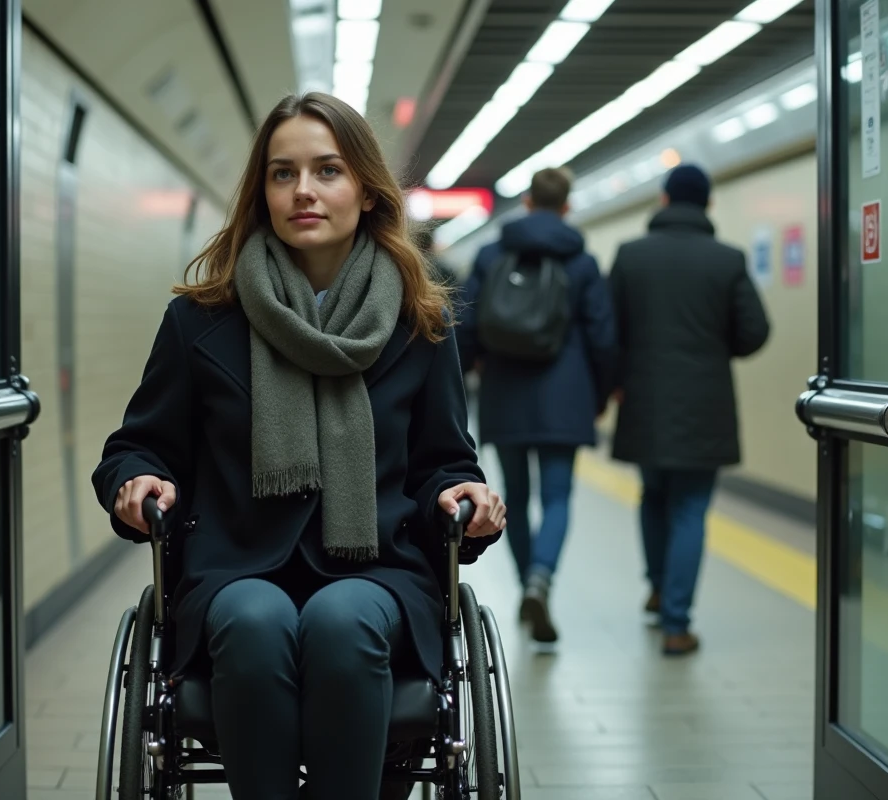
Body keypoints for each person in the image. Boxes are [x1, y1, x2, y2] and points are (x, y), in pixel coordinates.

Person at [91, 92, 507, 800]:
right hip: (234, 570)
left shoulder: (419, 325)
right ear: (263, 192)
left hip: (380, 571)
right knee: (256, 620)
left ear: (367, 192)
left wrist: (460, 495)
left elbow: (443, 460)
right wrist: (138, 481)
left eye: (327, 170)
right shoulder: (200, 322)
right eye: (283, 173)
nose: (303, 190)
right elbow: (139, 446)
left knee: (342, 620)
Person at [607, 164, 769, 656]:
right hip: (705, 405)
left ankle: (658, 588)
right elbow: (755, 331)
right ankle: (676, 624)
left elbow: (607, 329)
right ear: (708, 204)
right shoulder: (727, 259)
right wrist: (714, 348)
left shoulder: (630, 256)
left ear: (663, 200)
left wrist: (616, 381)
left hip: (644, 400)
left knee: (653, 496)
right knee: (690, 509)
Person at [457, 166, 616, 646]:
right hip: (565, 393)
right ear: (567, 206)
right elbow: (602, 335)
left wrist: (464, 377)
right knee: (558, 496)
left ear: (526, 201)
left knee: (515, 498)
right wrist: (601, 394)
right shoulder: (581, 261)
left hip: (505, 390)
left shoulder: (491, 254)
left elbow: (466, 324)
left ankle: (528, 581)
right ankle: (540, 582)